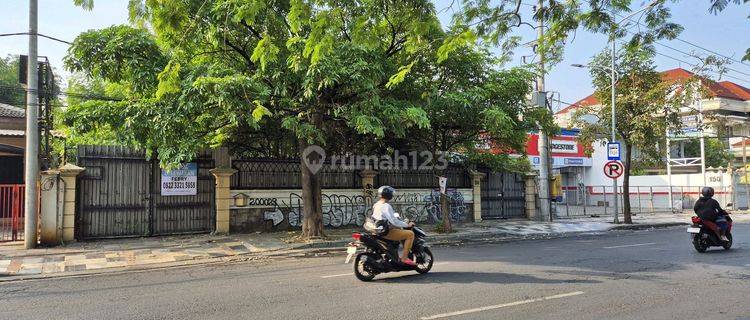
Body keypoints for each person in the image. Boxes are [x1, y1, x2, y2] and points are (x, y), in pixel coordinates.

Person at [371, 186, 417, 266]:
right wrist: (407, 224)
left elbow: (381, 218)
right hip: (385, 232)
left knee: (397, 230)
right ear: (389, 195)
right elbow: (394, 221)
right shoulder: (386, 206)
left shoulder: (376, 204)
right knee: (410, 234)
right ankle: (404, 258)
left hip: (376, 230)